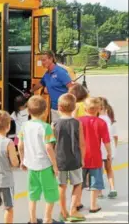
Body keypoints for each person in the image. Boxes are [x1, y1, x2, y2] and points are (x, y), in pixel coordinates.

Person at [18, 95, 59, 224]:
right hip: (45, 166)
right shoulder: (45, 127)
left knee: (32, 194)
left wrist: (22, 160)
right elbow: (49, 147)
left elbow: (20, 145)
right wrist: (55, 165)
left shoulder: (24, 126)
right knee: (50, 193)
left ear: (28, 111)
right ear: (45, 111)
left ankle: (33, 219)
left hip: (31, 165)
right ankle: (47, 219)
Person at [53, 94, 86, 222]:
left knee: (61, 186)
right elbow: (82, 143)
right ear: (74, 108)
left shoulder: (54, 123)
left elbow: (52, 144)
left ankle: (63, 212)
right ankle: (73, 210)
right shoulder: (78, 123)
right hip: (75, 159)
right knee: (77, 183)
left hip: (60, 160)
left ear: (59, 108)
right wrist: (82, 158)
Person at [79, 97, 112, 213]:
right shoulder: (101, 122)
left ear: (84, 108)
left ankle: (77, 203)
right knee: (95, 182)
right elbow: (106, 140)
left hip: (81, 157)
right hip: (95, 157)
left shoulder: (79, 121)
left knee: (79, 182)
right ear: (98, 109)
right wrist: (109, 152)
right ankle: (93, 205)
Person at [29, 51, 74, 123]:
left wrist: (69, 104)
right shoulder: (47, 74)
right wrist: (30, 91)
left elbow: (72, 88)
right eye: (41, 60)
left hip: (65, 109)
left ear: (51, 59)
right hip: (54, 108)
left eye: (44, 60)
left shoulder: (60, 72)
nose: (42, 62)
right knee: (55, 130)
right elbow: (41, 83)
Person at [98, 97, 117, 199]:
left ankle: (100, 191)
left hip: (100, 149)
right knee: (109, 169)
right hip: (110, 148)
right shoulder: (111, 120)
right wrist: (114, 148)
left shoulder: (97, 120)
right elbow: (115, 137)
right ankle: (112, 188)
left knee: (99, 170)